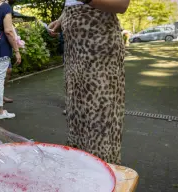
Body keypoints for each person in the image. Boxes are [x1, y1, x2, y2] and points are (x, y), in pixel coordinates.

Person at [49, 0, 129, 164]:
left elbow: (121, 4)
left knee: (99, 117)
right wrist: (62, 19)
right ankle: (81, 168)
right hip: (74, 52)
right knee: (77, 115)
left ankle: (103, 170)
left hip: (99, 50)